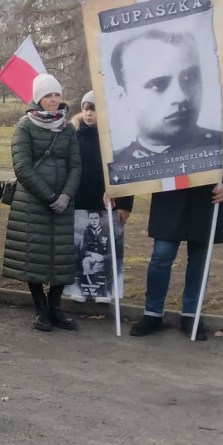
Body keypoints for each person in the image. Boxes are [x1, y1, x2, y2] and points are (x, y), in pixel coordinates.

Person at [129, 108, 223, 340]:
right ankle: (152, 314)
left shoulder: (221, 108)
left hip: (207, 197)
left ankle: (191, 315)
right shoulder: (163, 110)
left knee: (199, 260)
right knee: (161, 255)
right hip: (169, 193)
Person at [2, 74, 81, 332]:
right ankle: (40, 309)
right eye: (49, 95)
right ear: (38, 98)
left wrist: (66, 195)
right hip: (33, 201)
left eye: (57, 95)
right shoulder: (25, 126)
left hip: (63, 202)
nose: (54, 100)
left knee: (61, 256)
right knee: (33, 256)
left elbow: (76, 165)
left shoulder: (67, 128)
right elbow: (22, 167)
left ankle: (56, 308)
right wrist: (49, 196)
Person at [109, 29, 220, 167]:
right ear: (123, 97)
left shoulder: (219, 146)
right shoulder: (116, 166)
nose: (181, 97)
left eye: (190, 78)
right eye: (158, 85)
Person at [68, 92, 134, 303]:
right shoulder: (73, 135)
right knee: (80, 246)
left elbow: (126, 169)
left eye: (94, 109)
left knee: (106, 246)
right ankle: (78, 287)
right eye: (86, 109)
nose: (89, 114)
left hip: (106, 202)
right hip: (79, 201)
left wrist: (124, 202)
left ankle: (103, 291)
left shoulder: (115, 139)